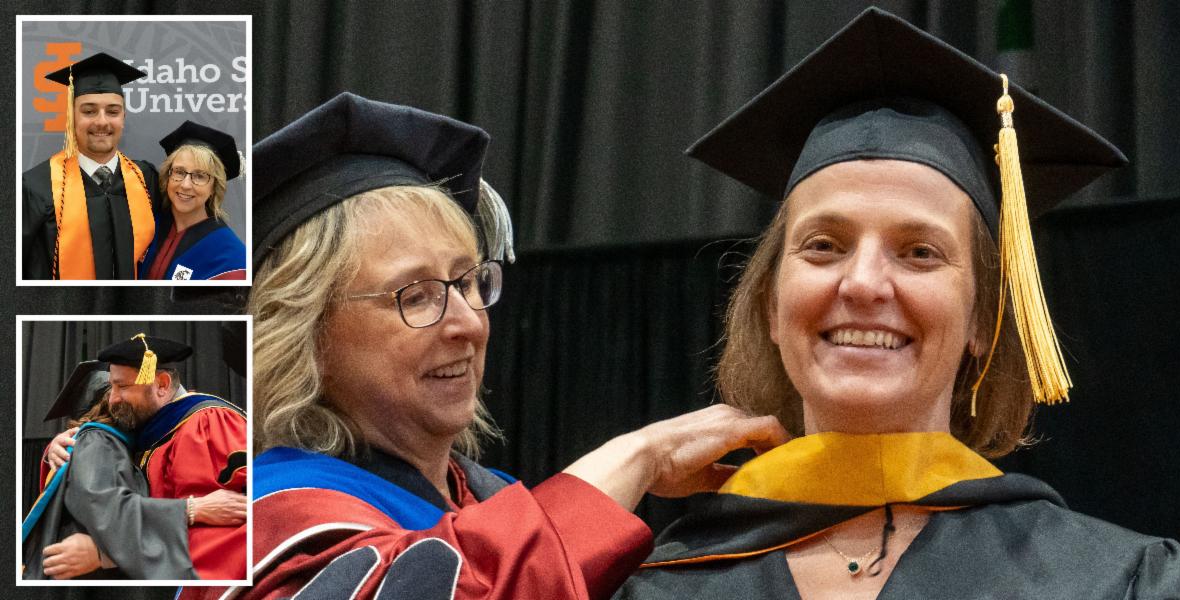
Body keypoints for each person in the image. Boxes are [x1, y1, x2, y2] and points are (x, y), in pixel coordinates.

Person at [618, 8, 1180, 599]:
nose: (864, 284)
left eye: (919, 252)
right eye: (823, 246)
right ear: (770, 304)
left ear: (982, 319)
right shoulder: (660, 587)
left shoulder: (1111, 583)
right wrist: (633, 458)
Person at [180, 92, 789, 600]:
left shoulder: (489, 496)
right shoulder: (256, 525)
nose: (469, 323)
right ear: (305, 334)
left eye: (470, 282)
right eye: (416, 295)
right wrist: (639, 458)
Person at [44, 335, 248, 580]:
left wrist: (106, 555)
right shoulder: (145, 430)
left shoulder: (204, 424)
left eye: (123, 387)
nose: (112, 398)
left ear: (161, 385)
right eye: (111, 387)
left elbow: (221, 531)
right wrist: (56, 452)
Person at [22, 360, 197, 579]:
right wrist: (192, 509)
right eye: (117, 390)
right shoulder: (99, 441)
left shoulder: (116, 445)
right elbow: (107, 512)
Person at [22, 52, 157, 280]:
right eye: (89, 111)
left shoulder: (145, 178)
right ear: (71, 117)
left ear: (123, 117)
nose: (102, 121)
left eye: (112, 111)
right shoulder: (36, 187)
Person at [139, 120, 247, 280]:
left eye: (200, 176)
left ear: (214, 187)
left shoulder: (230, 259)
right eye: (179, 172)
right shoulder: (145, 226)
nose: (186, 185)